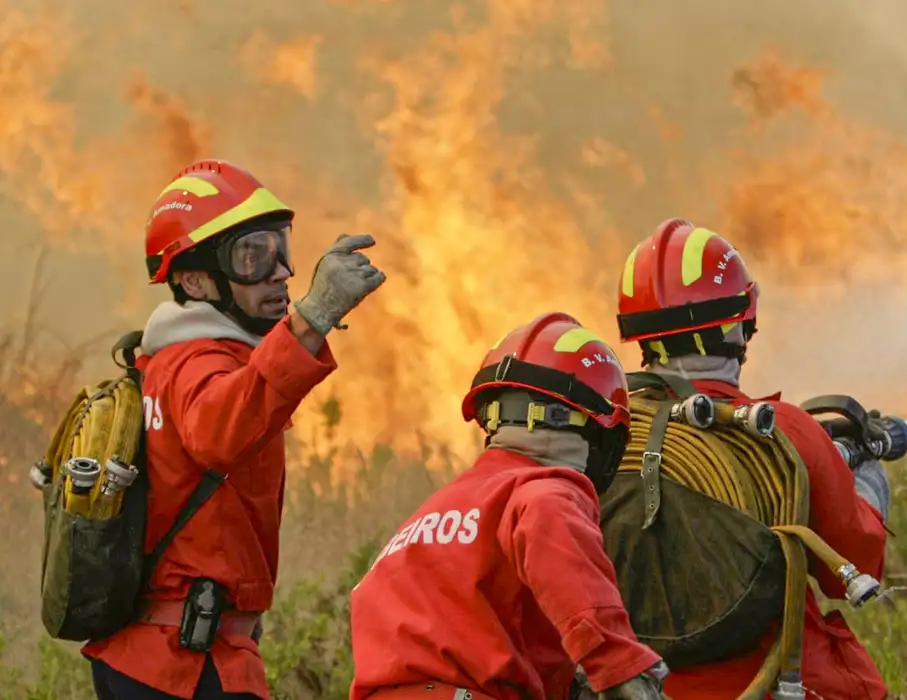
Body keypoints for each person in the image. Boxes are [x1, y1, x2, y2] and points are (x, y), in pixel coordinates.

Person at [81, 158, 387, 700]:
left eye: (279, 247)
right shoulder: (195, 361)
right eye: (251, 255)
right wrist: (312, 315)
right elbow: (223, 430)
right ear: (196, 279)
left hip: (168, 659)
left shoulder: (179, 361)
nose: (279, 272)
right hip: (184, 666)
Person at [611, 218, 890, 700]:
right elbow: (851, 564)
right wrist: (867, 478)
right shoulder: (787, 433)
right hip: (777, 685)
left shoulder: (600, 439)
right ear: (741, 325)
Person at [349, 312, 668, 700]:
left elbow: (495, 629)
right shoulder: (544, 491)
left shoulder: (439, 511)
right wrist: (621, 669)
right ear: (599, 432)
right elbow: (567, 573)